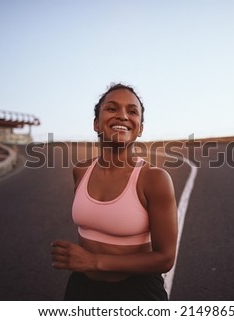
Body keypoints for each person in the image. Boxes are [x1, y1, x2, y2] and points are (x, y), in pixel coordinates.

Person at [51, 83, 178, 300]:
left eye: (132, 111)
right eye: (112, 109)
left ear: (140, 128)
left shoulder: (154, 179)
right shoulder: (81, 171)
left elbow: (165, 259)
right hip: (81, 288)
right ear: (96, 124)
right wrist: (83, 263)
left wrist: (94, 262)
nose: (122, 116)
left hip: (138, 292)